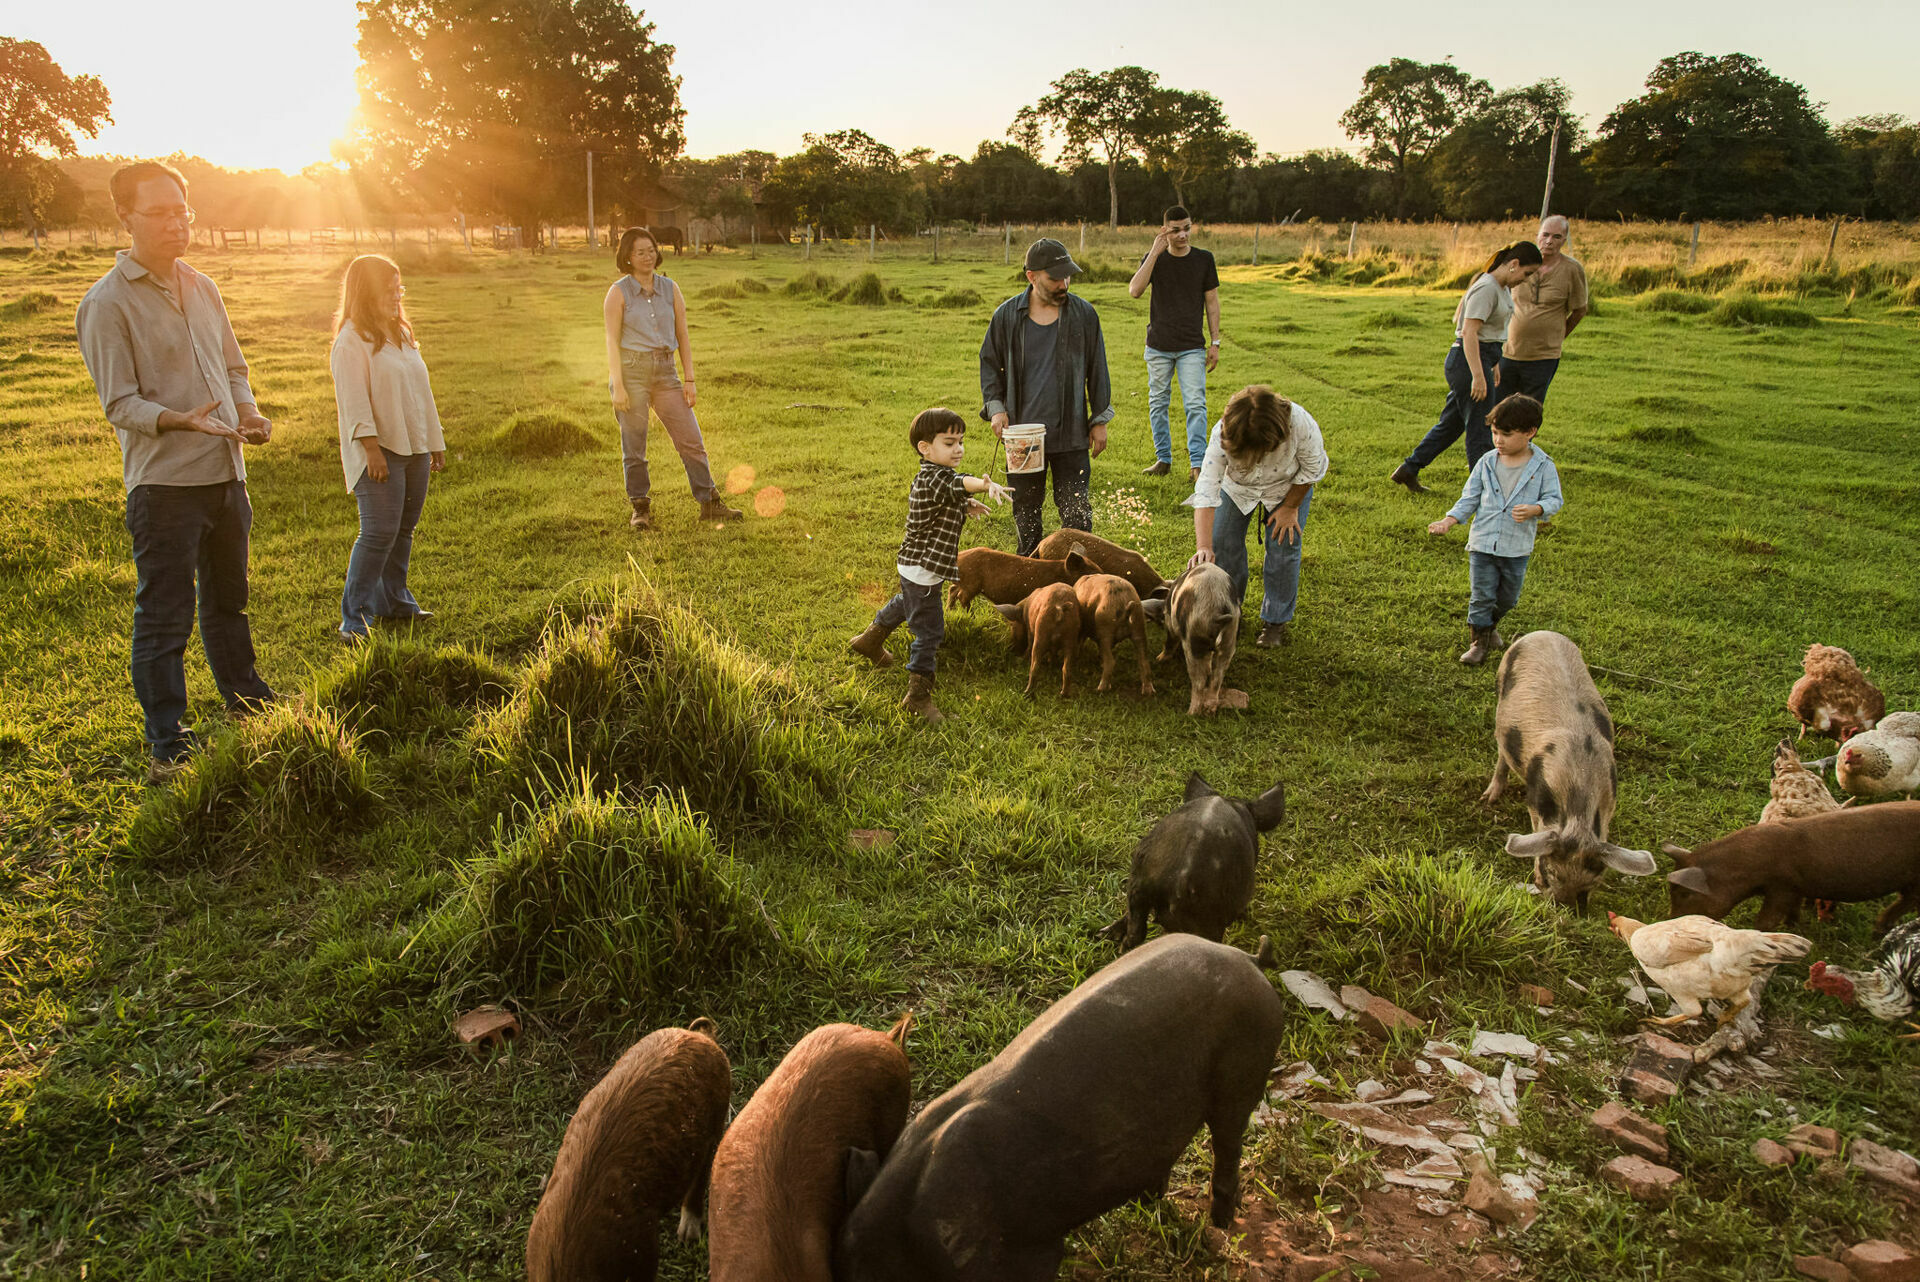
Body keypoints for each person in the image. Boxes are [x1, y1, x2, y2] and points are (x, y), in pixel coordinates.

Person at [75, 161, 278, 784]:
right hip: (164, 486)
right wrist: (178, 420)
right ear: (125, 217)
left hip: (226, 473)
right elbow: (119, 402)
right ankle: (168, 740)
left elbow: (234, 365)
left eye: (182, 210)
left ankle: (246, 702)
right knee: (165, 617)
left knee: (229, 601)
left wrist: (249, 411)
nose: (176, 223)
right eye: (160, 212)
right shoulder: (106, 303)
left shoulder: (203, 285)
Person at [847, 408, 1011, 722]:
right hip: (923, 565)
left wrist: (966, 504)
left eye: (961, 441)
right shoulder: (935, 477)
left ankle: (869, 640)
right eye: (950, 443)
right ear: (926, 448)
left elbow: (950, 494)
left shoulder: (935, 476)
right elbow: (956, 484)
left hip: (918, 565)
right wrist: (982, 485)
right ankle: (917, 696)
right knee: (930, 631)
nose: (959, 449)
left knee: (907, 602)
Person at [330, 255, 446, 642]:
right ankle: (354, 617)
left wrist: (435, 440)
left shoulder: (402, 333)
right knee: (378, 532)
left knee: (403, 530)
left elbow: (420, 391)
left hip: (414, 445)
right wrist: (371, 450)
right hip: (379, 451)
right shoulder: (351, 340)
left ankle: (395, 602)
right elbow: (353, 401)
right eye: (388, 289)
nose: (396, 296)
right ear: (366, 291)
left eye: (399, 288)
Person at [979, 237, 1114, 556]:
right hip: (1022, 438)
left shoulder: (1084, 314)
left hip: (1071, 435)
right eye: (1055, 277)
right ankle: (1028, 578)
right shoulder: (1006, 316)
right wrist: (996, 408)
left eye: (1067, 276)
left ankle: (1080, 582)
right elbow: (988, 365)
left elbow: (1098, 368)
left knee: (1077, 517)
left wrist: (1099, 420)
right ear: (1032, 276)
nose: (1064, 283)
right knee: (1026, 515)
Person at [603, 226, 741, 530]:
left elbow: (683, 334)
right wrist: (618, 385)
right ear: (627, 256)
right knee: (635, 446)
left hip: (666, 372)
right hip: (632, 371)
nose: (647, 256)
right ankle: (640, 508)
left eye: (651, 249)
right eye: (640, 252)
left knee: (691, 439)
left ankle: (709, 502)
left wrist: (689, 379)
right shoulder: (618, 292)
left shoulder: (670, 289)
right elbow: (611, 341)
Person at [1389, 241, 1543, 494]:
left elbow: (1491, 333)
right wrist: (1477, 374)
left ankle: (1409, 469)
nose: (1525, 280)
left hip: (1483, 358)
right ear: (1514, 265)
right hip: (1468, 360)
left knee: (1451, 425)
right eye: (1526, 274)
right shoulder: (1487, 288)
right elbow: (1470, 332)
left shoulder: (1501, 288)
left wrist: (1493, 365)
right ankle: (1484, 491)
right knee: (1481, 428)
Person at [1186, 385, 1328, 649]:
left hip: (1287, 487)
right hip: (1236, 488)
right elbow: (1206, 489)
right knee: (1223, 544)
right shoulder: (1222, 433)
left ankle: (1275, 621)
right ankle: (1229, 613)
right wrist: (1204, 546)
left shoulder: (1301, 425)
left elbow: (1312, 469)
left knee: (1284, 547)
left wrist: (1290, 507)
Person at [1426, 394, 1562, 666]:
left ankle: (1490, 627)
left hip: (1517, 546)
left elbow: (1554, 499)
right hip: (1483, 543)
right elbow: (1469, 498)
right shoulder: (1487, 462)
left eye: (1506, 435)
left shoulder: (1544, 467)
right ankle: (1478, 642)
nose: (1498, 440)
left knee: (1508, 598)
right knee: (1482, 595)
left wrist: (1536, 509)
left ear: (1530, 432)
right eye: (1495, 433)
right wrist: (1448, 521)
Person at [1127, 205, 1221, 481]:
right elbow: (1134, 291)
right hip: (1158, 345)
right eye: (1176, 230)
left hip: (1192, 345)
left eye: (1187, 228)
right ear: (1165, 230)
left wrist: (1215, 342)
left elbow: (1212, 302)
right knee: (1158, 402)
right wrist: (1155, 253)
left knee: (1195, 404)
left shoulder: (1204, 259)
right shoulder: (1154, 258)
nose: (1183, 235)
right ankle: (1163, 459)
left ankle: (1197, 464)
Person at [1500, 215, 1589, 405]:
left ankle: (1525, 437)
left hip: (1543, 357)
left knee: (1529, 409)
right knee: (1498, 407)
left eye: (1556, 237)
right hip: (1507, 351)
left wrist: (1558, 336)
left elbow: (1580, 310)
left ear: (1564, 240)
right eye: (1545, 234)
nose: (1549, 241)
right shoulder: (1517, 264)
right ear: (1537, 235)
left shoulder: (1572, 270)